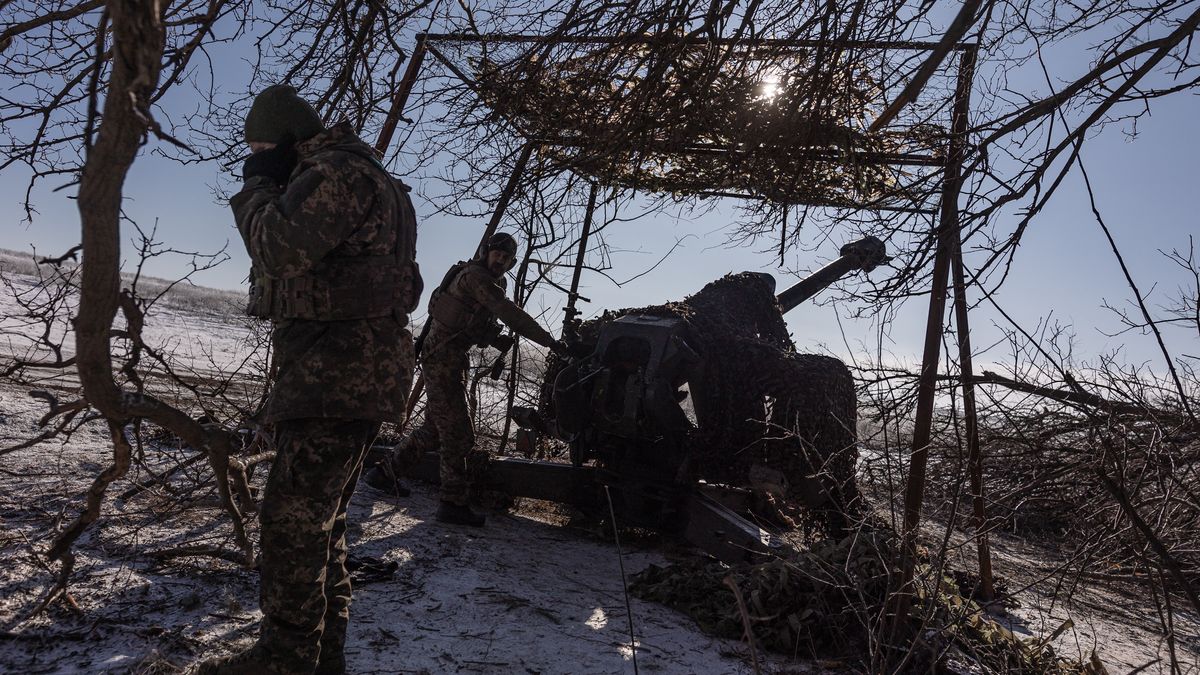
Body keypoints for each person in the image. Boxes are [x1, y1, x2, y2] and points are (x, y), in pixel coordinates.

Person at [196, 84, 420, 675]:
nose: (260, 156)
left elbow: (277, 250)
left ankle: (285, 660)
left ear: (289, 140)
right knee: (324, 525)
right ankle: (321, 658)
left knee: (293, 527)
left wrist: (256, 185)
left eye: (265, 146)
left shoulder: (337, 175)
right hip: (351, 374)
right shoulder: (371, 177)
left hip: (334, 375)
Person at [364, 232, 568, 526]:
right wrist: (549, 341)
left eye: (508, 258)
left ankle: (384, 474)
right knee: (459, 434)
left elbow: (472, 320)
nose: (502, 261)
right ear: (486, 252)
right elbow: (508, 312)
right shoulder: (476, 277)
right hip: (442, 359)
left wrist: (493, 338)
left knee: (436, 428)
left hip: (450, 358)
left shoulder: (490, 280)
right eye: (498, 254)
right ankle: (452, 502)